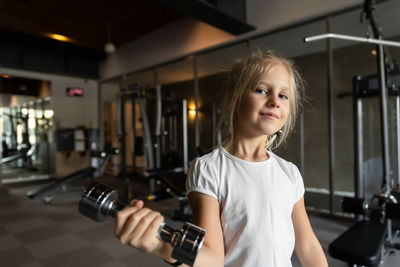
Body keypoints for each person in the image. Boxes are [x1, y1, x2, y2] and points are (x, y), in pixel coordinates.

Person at [114, 50, 328, 267]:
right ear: (235, 98)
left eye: (283, 95)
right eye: (262, 90)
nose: (275, 101)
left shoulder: (289, 172)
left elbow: (307, 244)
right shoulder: (209, 169)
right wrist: (158, 245)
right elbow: (212, 259)